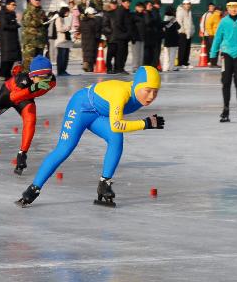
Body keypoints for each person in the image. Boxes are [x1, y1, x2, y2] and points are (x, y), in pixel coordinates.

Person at [16, 66, 165, 208]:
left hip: (97, 114)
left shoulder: (138, 95)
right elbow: (116, 125)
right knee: (64, 149)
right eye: (148, 91)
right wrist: (145, 124)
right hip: (80, 107)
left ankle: (104, 184)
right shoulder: (121, 94)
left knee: (116, 139)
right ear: (138, 86)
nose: (151, 96)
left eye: (155, 92)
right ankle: (34, 188)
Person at [210, 1, 237, 122]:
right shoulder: (223, 21)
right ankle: (226, 110)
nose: (234, 9)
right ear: (227, 8)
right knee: (226, 82)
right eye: (231, 7)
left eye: (236, 7)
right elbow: (217, 38)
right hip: (226, 54)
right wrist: (213, 54)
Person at [21, 0, 47, 70]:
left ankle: (37, 80)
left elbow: (43, 24)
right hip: (30, 42)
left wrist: (47, 21)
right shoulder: (28, 11)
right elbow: (27, 22)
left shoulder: (41, 11)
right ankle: (26, 80)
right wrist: (41, 21)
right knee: (28, 64)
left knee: (38, 64)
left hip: (40, 42)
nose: (37, 1)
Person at [0, 0, 21, 79]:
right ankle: (2, 73)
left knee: (12, 58)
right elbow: (4, 26)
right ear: (7, 5)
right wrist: (16, 25)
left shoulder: (12, 14)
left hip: (13, 39)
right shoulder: (3, 14)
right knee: (6, 58)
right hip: (6, 40)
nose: (14, 6)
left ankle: (7, 73)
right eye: (12, 5)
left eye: (15, 5)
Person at [111, 0, 133, 74]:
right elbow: (118, 24)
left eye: (129, 3)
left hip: (125, 36)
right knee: (121, 53)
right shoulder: (120, 11)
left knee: (124, 53)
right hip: (121, 36)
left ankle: (120, 67)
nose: (128, 4)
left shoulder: (127, 11)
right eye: (127, 2)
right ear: (123, 3)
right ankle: (119, 68)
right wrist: (126, 31)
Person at [79, 6, 100, 72]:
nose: (94, 15)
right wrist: (99, 38)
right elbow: (96, 31)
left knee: (86, 53)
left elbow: (80, 29)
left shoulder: (82, 21)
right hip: (92, 40)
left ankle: (86, 63)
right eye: (93, 14)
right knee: (91, 53)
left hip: (84, 40)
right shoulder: (93, 22)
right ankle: (89, 66)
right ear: (89, 14)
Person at [54, 5, 74, 76]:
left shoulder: (65, 19)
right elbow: (59, 28)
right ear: (65, 12)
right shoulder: (59, 19)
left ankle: (64, 70)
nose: (68, 14)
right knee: (61, 57)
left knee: (65, 57)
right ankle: (60, 71)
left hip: (66, 41)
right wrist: (67, 28)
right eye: (67, 12)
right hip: (61, 41)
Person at [175, 0, 194, 68]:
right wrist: (182, 30)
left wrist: (192, 30)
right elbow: (179, 22)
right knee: (182, 48)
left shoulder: (189, 12)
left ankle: (185, 62)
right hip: (182, 33)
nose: (188, 5)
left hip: (189, 32)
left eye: (189, 4)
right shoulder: (180, 11)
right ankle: (181, 63)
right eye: (187, 4)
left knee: (187, 48)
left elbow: (190, 22)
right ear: (183, 5)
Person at [160, 7, 180, 72]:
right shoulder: (173, 19)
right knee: (172, 54)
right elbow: (179, 26)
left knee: (166, 54)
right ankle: (171, 67)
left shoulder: (165, 18)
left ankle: (165, 67)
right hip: (174, 39)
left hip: (167, 39)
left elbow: (164, 26)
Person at [143, 1, 161, 68]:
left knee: (152, 53)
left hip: (152, 36)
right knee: (147, 53)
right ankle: (146, 66)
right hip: (147, 37)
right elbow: (148, 22)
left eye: (151, 5)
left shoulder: (150, 13)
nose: (151, 7)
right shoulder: (146, 13)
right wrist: (154, 20)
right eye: (149, 5)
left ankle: (152, 66)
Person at [102, 0, 118, 73]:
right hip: (111, 37)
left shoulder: (119, 13)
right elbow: (104, 26)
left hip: (118, 37)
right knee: (110, 54)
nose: (114, 5)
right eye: (112, 4)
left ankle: (117, 68)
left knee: (118, 54)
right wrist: (111, 32)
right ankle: (109, 68)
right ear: (110, 4)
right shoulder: (107, 14)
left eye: (115, 4)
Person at [130, 1, 146, 72]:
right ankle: (135, 68)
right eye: (139, 7)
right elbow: (131, 26)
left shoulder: (144, 15)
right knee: (136, 54)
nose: (140, 9)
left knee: (141, 55)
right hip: (135, 37)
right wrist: (132, 36)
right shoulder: (133, 15)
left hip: (142, 37)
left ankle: (140, 68)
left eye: (141, 7)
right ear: (136, 7)